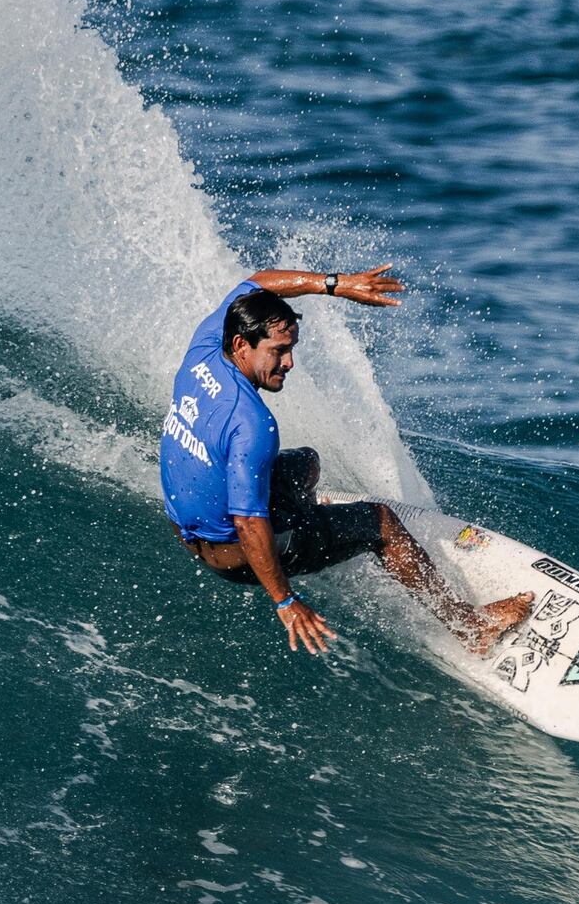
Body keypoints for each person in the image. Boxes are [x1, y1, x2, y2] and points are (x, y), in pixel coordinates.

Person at [159, 267, 534, 656]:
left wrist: (336, 286)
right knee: (382, 522)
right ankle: (470, 626)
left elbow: (256, 282)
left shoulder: (205, 347)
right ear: (242, 345)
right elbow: (248, 523)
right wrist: (285, 602)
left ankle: (302, 514)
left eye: (292, 349)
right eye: (279, 351)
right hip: (235, 554)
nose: (289, 363)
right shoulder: (251, 424)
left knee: (306, 463)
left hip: (186, 529)